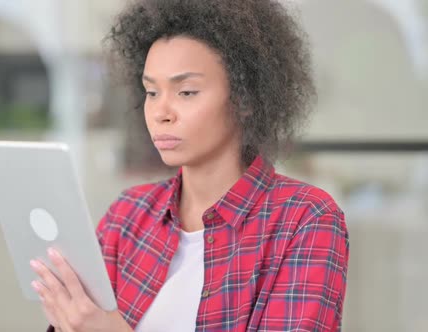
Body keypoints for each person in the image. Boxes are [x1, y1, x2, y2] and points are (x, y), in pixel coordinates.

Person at [30, 0, 349, 331]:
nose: (161, 112)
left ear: (245, 99)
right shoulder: (126, 217)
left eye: (186, 92)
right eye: (152, 92)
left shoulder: (305, 219)